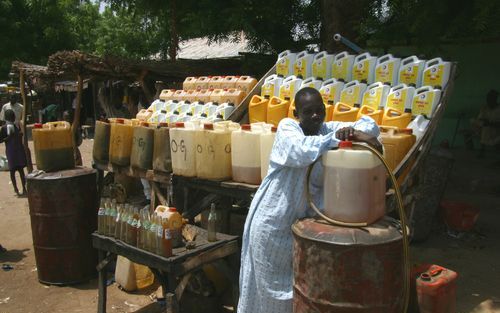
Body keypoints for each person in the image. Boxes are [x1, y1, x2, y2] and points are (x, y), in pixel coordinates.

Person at [237, 88, 382, 313]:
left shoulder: (327, 130)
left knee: (296, 291)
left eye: (319, 110)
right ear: (297, 113)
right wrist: (343, 137)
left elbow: (369, 124)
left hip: (298, 228)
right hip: (271, 225)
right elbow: (301, 150)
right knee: (268, 294)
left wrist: (356, 133)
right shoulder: (288, 128)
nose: (315, 116)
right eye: (308, 111)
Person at [0, 109, 27, 196]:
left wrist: (20, 134)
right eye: (11, 117)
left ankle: (24, 188)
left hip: (18, 150)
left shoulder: (16, 126)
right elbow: (1, 140)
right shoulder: (4, 128)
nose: (12, 118)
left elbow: (20, 136)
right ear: (7, 118)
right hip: (11, 152)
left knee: (21, 171)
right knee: (12, 171)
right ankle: (16, 189)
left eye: (13, 116)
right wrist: (8, 137)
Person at [471, 89, 500, 157]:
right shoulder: (485, 107)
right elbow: (480, 118)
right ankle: (482, 150)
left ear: (495, 99)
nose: (488, 100)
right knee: (476, 123)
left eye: (491, 98)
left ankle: (496, 149)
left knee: (486, 128)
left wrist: (491, 124)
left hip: (497, 130)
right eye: (488, 98)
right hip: (486, 130)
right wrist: (484, 121)